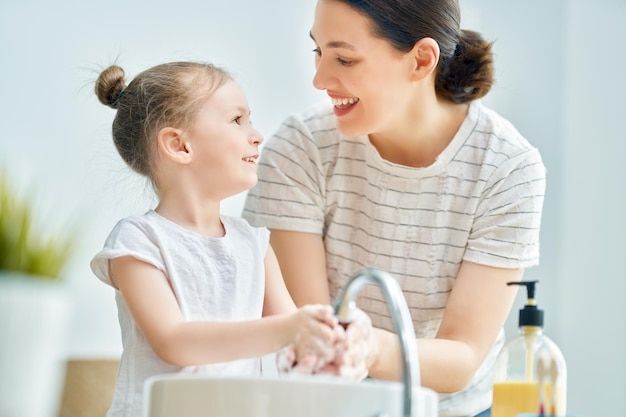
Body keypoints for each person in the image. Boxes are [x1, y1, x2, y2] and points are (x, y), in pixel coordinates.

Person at [242, 1, 547, 416]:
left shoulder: (507, 167)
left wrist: (370, 349)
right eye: (318, 52)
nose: (319, 79)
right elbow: (309, 333)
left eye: (344, 58)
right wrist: (346, 349)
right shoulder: (301, 148)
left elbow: (462, 355)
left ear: (421, 60)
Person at [90, 61, 367, 417]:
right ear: (179, 145)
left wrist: (332, 344)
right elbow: (174, 342)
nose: (256, 134)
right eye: (237, 120)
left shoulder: (254, 244)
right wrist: (291, 328)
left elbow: (293, 348)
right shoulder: (139, 241)